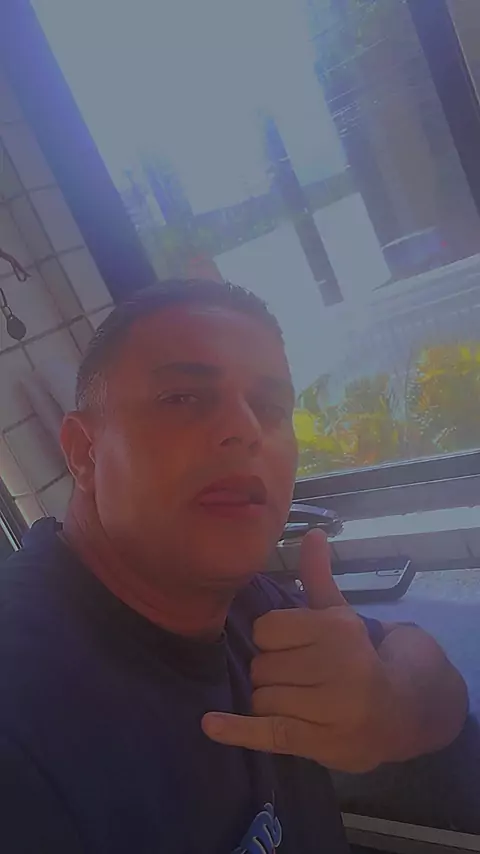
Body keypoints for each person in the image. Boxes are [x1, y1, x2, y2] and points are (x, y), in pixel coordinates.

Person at [0, 279, 468, 854]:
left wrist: (388, 708)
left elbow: (433, 678)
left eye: (271, 407)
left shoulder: (244, 600)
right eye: (182, 398)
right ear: (84, 453)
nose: (246, 429)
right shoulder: (21, 727)